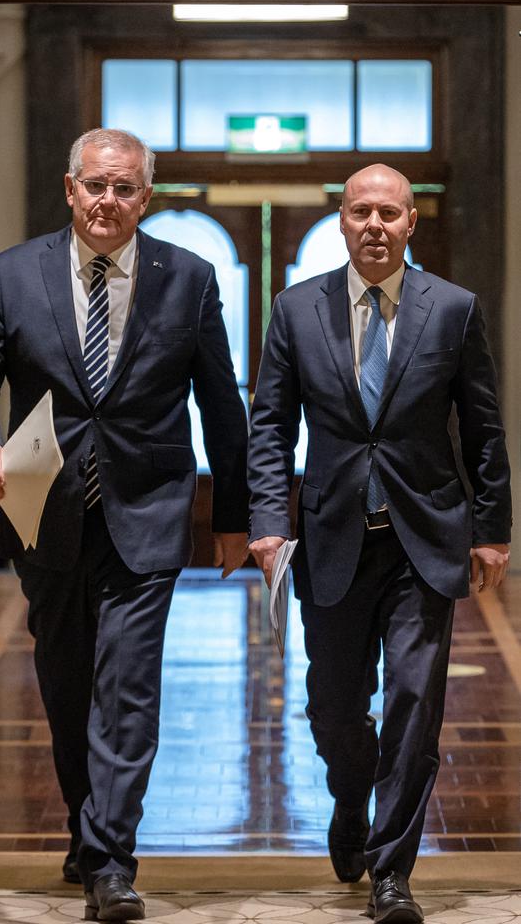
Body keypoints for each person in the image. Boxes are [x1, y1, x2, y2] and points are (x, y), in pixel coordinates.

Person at [0, 128, 249, 920]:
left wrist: (236, 520)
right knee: (68, 684)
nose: (107, 201)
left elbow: (222, 403)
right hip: (42, 509)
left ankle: (112, 860)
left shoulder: (188, 278)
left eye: (124, 189)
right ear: (70, 189)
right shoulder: (16, 273)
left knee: (128, 687)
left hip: (147, 511)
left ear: (146, 197)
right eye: (95, 186)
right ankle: (89, 829)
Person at [248, 164, 511, 924]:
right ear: (341, 220)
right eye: (360, 210)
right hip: (331, 535)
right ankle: (348, 799)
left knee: (414, 705)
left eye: (387, 213)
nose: (373, 224)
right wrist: (270, 518)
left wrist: (492, 530)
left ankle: (391, 873)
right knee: (333, 709)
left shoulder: (453, 310)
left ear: (409, 224)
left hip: (424, 540)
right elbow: (270, 425)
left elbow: (485, 430)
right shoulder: (297, 309)